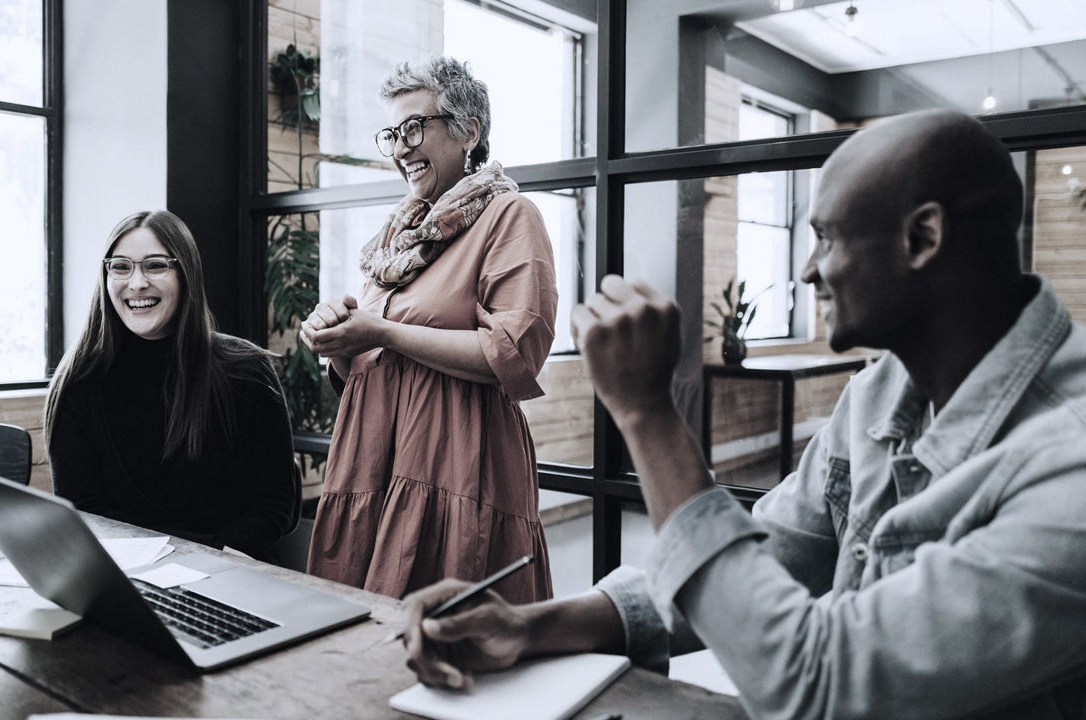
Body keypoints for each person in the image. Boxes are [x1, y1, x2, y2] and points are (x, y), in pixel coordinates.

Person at [401, 109, 1086, 719]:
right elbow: (765, 562)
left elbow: (820, 685)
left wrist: (646, 413)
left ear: (921, 239)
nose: (809, 271)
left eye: (826, 237)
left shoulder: (1070, 464)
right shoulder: (879, 392)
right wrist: (530, 626)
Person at [300, 57, 557, 603]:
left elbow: (511, 354)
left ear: (469, 131)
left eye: (415, 127)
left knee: (453, 640)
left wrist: (382, 332)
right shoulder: (398, 237)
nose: (400, 148)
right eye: (392, 134)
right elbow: (368, 368)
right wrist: (339, 339)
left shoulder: (509, 216)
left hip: (456, 466)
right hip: (374, 461)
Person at [45, 210, 296, 561]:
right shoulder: (78, 381)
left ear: (186, 275)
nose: (136, 283)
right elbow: (84, 511)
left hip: (227, 572)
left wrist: (208, 558)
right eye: (121, 267)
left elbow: (274, 506)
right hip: (122, 575)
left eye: (155, 266)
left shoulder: (247, 371)